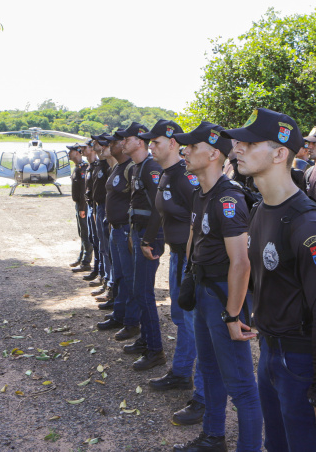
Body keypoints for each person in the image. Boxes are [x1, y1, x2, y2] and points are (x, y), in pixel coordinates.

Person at [225, 108, 316, 451]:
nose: (237, 148)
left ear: (279, 154)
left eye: (249, 142)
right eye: (239, 142)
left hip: (302, 364)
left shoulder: (307, 224)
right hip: (271, 353)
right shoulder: (260, 211)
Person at [172, 122, 262, 452]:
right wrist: (188, 279)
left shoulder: (229, 198)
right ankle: (214, 437)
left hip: (225, 297)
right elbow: (195, 239)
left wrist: (233, 314)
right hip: (203, 291)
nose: (184, 152)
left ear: (212, 154)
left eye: (190, 148)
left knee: (240, 384)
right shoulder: (200, 192)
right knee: (208, 370)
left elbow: (241, 262)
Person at [139, 120, 207, 425]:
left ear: (172, 144)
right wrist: (149, 239)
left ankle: (205, 397)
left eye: (155, 142)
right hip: (179, 258)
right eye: (149, 142)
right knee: (181, 319)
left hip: (192, 261)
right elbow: (160, 212)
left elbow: (204, 219)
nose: (150, 147)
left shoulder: (185, 178)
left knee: (197, 326)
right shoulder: (167, 175)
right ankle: (181, 373)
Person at [118, 121, 167, 371]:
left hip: (150, 237)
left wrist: (147, 239)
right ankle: (146, 340)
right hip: (139, 233)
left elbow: (159, 208)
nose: (123, 143)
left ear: (139, 141)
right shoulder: (138, 167)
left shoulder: (151, 167)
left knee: (145, 293)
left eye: (126, 139)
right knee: (139, 291)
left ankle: (155, 350)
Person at [97, 131, 136, 326]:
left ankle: (130, 321)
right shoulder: (118, 167)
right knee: (119, 274)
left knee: (128, 277)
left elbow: (136, 200)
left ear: (123, 145)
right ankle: (119, 314)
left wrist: (130, 229)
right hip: (115, 229)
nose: (109, 145)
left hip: (124, 230)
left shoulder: (131, 168)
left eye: (114, 142)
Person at [90, 134, 114, 296]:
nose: (96, 145)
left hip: (107, 209)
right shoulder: (101, 164)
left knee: (108, 248)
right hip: (99, 208)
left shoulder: (110, 166)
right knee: (102, 246)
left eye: (99, 143)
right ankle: (106, 279)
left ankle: (110, 283)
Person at [67, 144, 93, 272]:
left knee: (86, 233)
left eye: (70, 152)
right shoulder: (78, 168)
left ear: (77, 153)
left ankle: (86, 261)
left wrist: (83, 208)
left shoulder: (83, 169)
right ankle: (81, 257)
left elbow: (84, 191)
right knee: (82, 232)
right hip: (79, 204)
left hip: (84, 205)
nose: (68, 154)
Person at [82, 141, 103, 282]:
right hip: (91, 206)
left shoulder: (101, 166)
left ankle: (101, 273)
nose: (82, 150)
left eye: (85, 147)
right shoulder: (91, 166)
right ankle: (97, 270)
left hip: (96, 207)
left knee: (100, 242)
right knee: (93, 239)